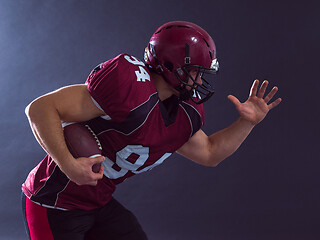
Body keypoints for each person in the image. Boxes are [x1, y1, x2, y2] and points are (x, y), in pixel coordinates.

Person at [21, 21, 281, 240]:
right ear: (171, 65)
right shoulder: (128, 86)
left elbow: (210, 153)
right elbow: (40, 109)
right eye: (195, 71)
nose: (200, 80)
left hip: (98, 203)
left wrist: (247, 123)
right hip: (53, 201)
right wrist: (67, 164)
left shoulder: (182, 113)